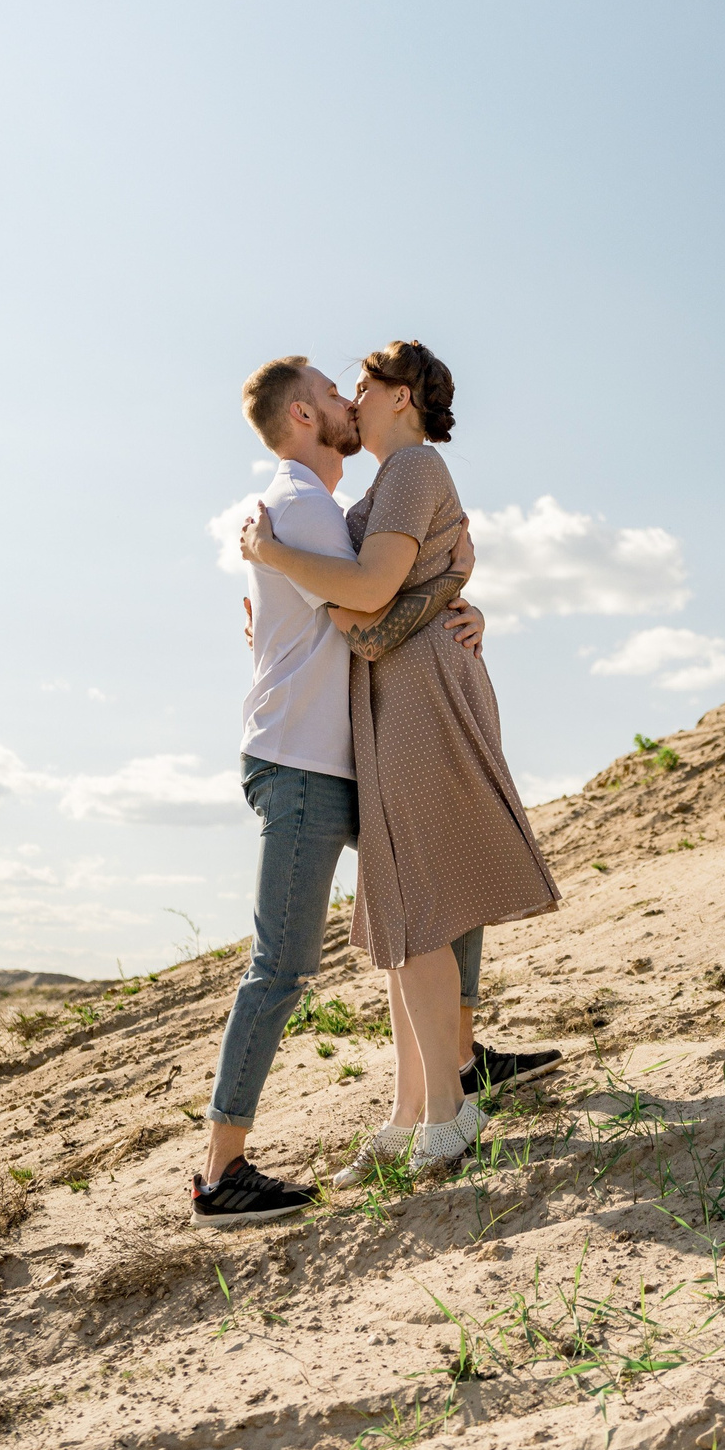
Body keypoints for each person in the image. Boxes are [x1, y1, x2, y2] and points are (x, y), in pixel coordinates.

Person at [240, 341, 562, 1183]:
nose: (355, 394)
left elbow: (373, 591)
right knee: (404, 908)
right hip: (391, 699)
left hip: (419, 694)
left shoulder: (415, 466)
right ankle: (411, 1112)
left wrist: (275, 560)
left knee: (414, 902)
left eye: (367, 383)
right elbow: (389, 585)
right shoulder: (385, 485)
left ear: (404, 397)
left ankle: (446, 1115)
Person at [190, 354, 489, 1227]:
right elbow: (366, 604)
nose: (347, 401)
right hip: (304, 760)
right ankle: (222, 1171)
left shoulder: (331, 507)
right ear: (304, 420)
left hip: (343, 754)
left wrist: (459, 587)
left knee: (421, 905)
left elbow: (388, 573)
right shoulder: (303, 509)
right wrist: (449, 583)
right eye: (331, 392)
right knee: (283, 965)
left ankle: (446, 1089)